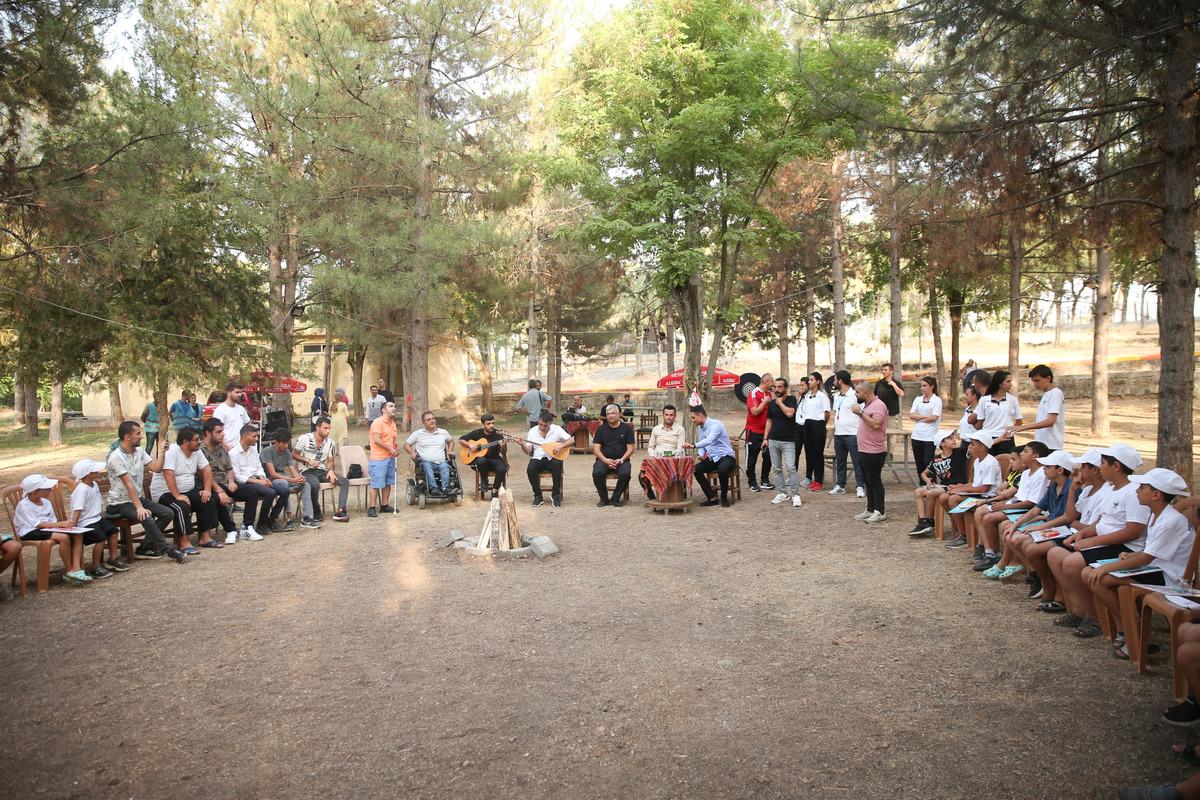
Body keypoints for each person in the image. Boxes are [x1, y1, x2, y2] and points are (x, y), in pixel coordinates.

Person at [1085, 468, 1194, 659]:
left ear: (1155, 494)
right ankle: (1128, 630)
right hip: (1156, 568)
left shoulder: (1169, 521)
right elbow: (1147, 553)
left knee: (1100, 579)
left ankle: (1133, 632)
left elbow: (1146, 558)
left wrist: (1106, 567)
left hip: (1169, 579)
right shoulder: (1156, 514)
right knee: (1094, 576)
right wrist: (1128, 557)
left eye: (1142, 487)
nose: (1136, 490)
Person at [1046, 443, 1148, 639]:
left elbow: (1133, 532)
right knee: (1055, 553)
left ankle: (1094, 617)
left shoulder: (1133, 492)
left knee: (1071, 562)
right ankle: (1079, 609)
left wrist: (1093, 541)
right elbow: (1101, 521)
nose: (1100, 468)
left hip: (1124, 547)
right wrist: (1083, 534)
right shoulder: (1112, 489)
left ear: (1116, 466)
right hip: (1104, 540)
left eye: (1102, 463)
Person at [105, 421, 185, 563]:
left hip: (136, 498)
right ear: (127, 437)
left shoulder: (140, 452)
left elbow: (156, 468)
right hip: (120, 502)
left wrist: (162, 452)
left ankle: (144, 547)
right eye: (138, 434)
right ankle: (169, 551)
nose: (141, 437)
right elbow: (128, 484)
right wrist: (140, 508)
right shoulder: (115, 457)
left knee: (167, 513)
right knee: (146, 516)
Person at [973, 441, 1051, 574]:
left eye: (1025, 451)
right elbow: (1019, 497)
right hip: (1018, 505)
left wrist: (1004, 506)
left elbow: (1031, 503)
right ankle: (992, 554)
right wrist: (1004, 504)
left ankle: (1002, 559)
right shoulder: (1026, 473)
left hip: (1029, 510)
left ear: (1035, 456)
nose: (1022, 453)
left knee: (991, 518)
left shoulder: (1041, 474)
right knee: (985, 514)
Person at [151, 427, 221, 553]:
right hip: (165, 493)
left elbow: (206, 469)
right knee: (180, 506)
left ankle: (205, 537)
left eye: (199, 439)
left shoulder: (197, 451)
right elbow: (168, 474)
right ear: (184, 441)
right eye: (196, 440)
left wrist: (207, 489)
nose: (199, 442)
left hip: (187, 490)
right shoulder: (172, 451)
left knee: (208, 499)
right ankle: (184, 543)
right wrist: (177, 495)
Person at [14, 474, 90, 584]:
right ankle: (69, 571)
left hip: (47, 529)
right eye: (47, 488)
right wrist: (60, 524)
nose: (50, 490)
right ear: (35, 492)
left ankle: (77, 568)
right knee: (63, 537)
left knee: (78, 534)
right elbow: (38, 524)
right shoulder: (24, 505)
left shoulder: (46, 502)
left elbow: (51, 521)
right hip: (29, 531)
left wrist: (61, 526)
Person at [68, 459, 128, 580]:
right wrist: (73, 525)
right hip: (85, 522)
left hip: (96, 518)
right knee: (100, 538)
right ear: (89, 474)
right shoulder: (82, 490)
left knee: (113, 531)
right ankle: (95, 566)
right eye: (95, 471)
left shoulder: (94, 484)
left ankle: (112, 558)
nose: (99, 472)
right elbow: (77, 509)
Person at [941, 432, 1004, 548]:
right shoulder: (977, 461)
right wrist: (959, 487)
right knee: (944, 497)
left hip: (988, 496)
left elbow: (984, 488)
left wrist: (962, 489)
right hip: (980, 493)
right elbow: (975, 483)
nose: (969, 447)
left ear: (981, 447)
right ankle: (962, 530)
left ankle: (963, 535)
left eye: (972, 444)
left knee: (954, 499)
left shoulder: (990, 463)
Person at [230, 423, 285, 539]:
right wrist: (259, 482)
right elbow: (238, 477)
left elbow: (259, 467)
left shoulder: (253, 450)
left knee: (284, 491)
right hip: (244, 484)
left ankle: (271, 519)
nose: (257, 439)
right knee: (270, 493)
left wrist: (262, 477)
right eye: (254, 436)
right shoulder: (233, 453)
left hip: (257, 480)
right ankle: (261, 524)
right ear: (245, 437)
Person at [294, 417, 351, 523]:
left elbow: (330, 460)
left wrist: (330, 470)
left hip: (322, 471)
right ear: (318, 427)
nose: (328, 431)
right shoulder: (305, 438)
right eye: (325, 428)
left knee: (344, 481)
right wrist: (307, 460)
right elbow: (294, 454)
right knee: (314, 485)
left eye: (329, 428)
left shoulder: (330, 443)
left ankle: (341, 511)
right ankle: (316, 511)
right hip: (306, 471)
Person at [908, 429, 963, 537]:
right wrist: (927, 480)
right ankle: (923, 522)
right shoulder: (936, 459)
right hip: (943, 485)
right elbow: (924, 473)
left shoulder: (959, 452)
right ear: (942, 443)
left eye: (954, 438)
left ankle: (929, 522)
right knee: (918, 491)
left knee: (931, 493)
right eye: (950, 438)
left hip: (954, 485)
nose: (954, 440)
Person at [200, 419, 247, 543]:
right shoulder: (200, 451)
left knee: (252, 491)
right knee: (218, 498)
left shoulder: (222, 448)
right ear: (208, 433)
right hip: (210, 485)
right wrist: (220, 491)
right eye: (219, 431)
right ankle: (230, 529)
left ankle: (248, 527)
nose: (223, 434)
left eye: (223, 431)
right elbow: (204, 475)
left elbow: (229, 469)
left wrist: (231, 481)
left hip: (227, 484)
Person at [684, 405, 737, 508]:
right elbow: (703, 444)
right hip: (713, 458)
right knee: (696, 469)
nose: (692, 420)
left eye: (693, 417)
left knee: (722, 469)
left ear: (700, 415)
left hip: (726, 457)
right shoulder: (701, 428)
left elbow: (709, 440)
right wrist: (700, 454)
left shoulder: (716, 424)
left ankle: (724, 497)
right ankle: (712, 497)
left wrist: (693, 445)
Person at [970, 370, 1022, 473]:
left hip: (1006, 440)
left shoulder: (1012, 400)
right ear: (999, 383)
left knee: (1006, 468)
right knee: (987, 468)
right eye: (1008, 381)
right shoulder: (985, 400)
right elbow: (980, 422)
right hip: (988, 439)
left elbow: (1019, 421)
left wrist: (1010, 432)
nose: (1011, 384)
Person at [852, 381, 889, 523]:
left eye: (858, 392)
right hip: (864, 449)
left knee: (875, 481)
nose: (856, 395)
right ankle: (870, 509)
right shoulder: (868, 405)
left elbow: (876, 424)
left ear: (866, 393)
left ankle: (880, 511)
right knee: (867, 481)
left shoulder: (879, 405)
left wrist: (860, 413)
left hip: (874, 451)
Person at [519, 410, 571, 507]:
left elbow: (571, 440)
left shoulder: (557, 429)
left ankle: (555, 495)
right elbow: (528, 451)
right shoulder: (532, 431)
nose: (542, 427)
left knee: (557, 464)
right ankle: (538, 496)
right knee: (530, 469)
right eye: (540, 424)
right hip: (538, 458)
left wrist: (560, 446)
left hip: (552, 457)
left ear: (550, 423)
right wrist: (522, 444)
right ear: (538, 421)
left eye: (545, 425)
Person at [1008, 364, 1064, 452]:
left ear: (1048, 378)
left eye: (1037, 381)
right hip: (1042, 443)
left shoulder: (1055, 394)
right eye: (1033, 381)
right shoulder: (1047, 394)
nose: (1035, 384)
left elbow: (1050, 421)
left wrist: (1023, 427)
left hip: (1051, 445)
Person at [764, 377, 802, 508]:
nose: (777, 389)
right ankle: (782, 493)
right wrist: (765, 438)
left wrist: (779, 402)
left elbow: (790, 414)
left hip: (788, 441)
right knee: (776, 468)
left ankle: (795, 495)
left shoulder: (791, 400)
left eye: (780, 387)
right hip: (773, 440)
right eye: (775, 386)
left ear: (786, 388)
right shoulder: (771, 403)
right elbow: (769, 421)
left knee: (791, 468)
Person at [591, 404, 635, 507]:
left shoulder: (626, 428)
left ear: (619, 414)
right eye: (608, 414)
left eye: (613, 413)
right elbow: (596, 449)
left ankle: (615, 498)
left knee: (626, 473)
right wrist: (605, 460)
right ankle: (604, 499)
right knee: (597, 472)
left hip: (622, 460)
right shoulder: (601, 429)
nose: (610, 416)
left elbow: (631, 448)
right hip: (603, 460)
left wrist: (621, 460)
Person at [260, 433, 306, 530]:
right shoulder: (267, 451)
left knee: (305, 484)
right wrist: (292, 479)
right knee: (284, 485)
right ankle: (289, 518)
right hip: (270, 479)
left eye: (287, 443)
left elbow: (292, 470)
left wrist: (298, 478)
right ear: (276, 442)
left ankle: (308, 515)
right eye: (284, 443)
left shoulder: (287, 452)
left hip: (283, 477)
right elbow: (272, 474)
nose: (286, 446)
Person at [639, 404, 686, 498]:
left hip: (673, 460)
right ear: (663, 415)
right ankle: (651, 496)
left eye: (671, 415)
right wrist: (653, 457)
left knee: (681, 471)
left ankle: (679, 495)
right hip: (658, 459)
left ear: (675, 416)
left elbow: (680, 448)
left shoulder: (680, 429)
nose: (669, 417)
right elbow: (650, 446)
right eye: (667, 415)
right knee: (642, 474)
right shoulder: (656, 429)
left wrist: (671, 456)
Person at [830, 370, 863, 498]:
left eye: (835, 380)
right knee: (840, 462)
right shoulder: (837, 396)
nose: (833, 382)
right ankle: (840, 485)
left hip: (852, 434)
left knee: (857, 462)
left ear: (840, 381)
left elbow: (862, 412)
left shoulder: (855, 395)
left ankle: (860, 486)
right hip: (839, 434)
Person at [459, 413, 508, 501]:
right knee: (481, 460)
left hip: (494, 458)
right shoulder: (477, 433)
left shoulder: (498, 435)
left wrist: (504, 445)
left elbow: (503, 452)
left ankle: (495, 490)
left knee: (502, 468)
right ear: (483, 424)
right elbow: (461, 440)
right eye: (488, 424)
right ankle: (484, 479)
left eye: (493, 423)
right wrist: (470, 446)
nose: (491, 426)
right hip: (481, 461)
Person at [404, 411, 454, 496]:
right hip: (424, 464)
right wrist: (412, 453)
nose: (432, 421)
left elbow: (451, 441)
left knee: (445, 466)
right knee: (427, 465)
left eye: (433, 419)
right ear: (423, 422)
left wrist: (449, 451)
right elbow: (406, 445)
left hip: (441, 462)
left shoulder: (443, 432)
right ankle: (434, 488)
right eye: (428, 420)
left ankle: (446, 488)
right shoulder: (418, 433)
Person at [800, 372, 831, 491]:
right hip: (807, 424)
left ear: (818, 381)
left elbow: (827, 413)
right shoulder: (807, 395)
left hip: (818, 425)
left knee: (818, 454)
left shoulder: (822, 395)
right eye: (809, 380)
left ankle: (819, 480)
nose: (809, 382)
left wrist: (822, 424)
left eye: (812, 380)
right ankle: (812, 478)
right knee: (809, 453)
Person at [908, 376, 943, 480]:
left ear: (932, 386)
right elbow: (911, 415)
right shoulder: (918, 399)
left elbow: (934, 417)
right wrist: (924, 417)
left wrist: (919, 418)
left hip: (929, 436)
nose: (922, 388)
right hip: (917, 435)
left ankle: (931, 483)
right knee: (919, 463)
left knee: (927, 461)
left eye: (924, 386)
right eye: (921, 386)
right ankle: (922, 483)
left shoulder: (937, 400)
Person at [744, 372, 774, 493]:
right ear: (766, 381)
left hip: (766, 431)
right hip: (753, 431)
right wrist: (765, 401)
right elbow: (755, 411)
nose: (773, 384)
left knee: (768, 455)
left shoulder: (769, 394)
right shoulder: (753, 393)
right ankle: (752, 482)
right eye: (772, 382)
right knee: (752, 457)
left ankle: (765, 480)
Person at [369, 401, 400, 516]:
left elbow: (393, 441)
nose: (394, 408)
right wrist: (389, 449)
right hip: (378, 458)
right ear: (383, 410)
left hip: (390, 457)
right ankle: (372, 507)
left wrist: (395, 448)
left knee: (388, 482)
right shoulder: (378, 422)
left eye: (394, 406)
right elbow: (376, 440)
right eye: (391, 406)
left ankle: (384, 505)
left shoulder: (393, 424)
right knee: (376, 483)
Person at [213, 381, 251, 451]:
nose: (240, 395)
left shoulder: (241, 409)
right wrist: (225, 447)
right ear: (229, 392)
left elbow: (248, 424)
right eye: (237, 392)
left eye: (241, 392)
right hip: (228, 449)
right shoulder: (220, 410)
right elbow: (216, 431)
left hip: (242, 448)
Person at [875, 363, 905, 431]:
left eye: (885, 370)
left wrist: (893, 384)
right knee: (881, 434)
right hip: (880, 413)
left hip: (892, 414)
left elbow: (902, 394)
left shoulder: (896, 383)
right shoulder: (879, 383)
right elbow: (874, 397)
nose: (883, 372)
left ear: (891, 371)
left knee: (892, 435)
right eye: (882, 370)